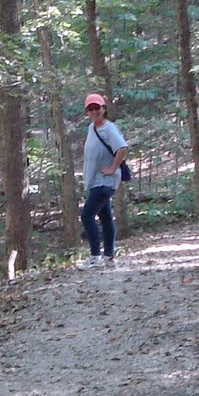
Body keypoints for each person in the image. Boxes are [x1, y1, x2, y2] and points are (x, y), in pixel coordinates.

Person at [79, 92, 128, 269]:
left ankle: (95, 257)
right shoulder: (92, 128)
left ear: (103, 109)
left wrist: (113, 168)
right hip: (95, 181)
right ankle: (109, 255)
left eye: (96, 108)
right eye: (90, 109)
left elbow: (122, 148)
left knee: (86, 216)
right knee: (105, 216)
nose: (94, 112)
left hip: (104, 181)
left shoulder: (109, 128)